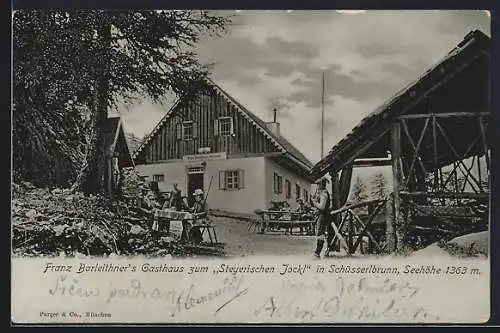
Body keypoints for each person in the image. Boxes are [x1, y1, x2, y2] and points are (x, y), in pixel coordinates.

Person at [311, 178, 333, 258]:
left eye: (318, 184)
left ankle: (317, 252)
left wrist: (315, 203)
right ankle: (323, 251)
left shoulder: (324, 194)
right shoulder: (322, 193)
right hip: (322, 215)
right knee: (321, 233)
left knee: (320, 233)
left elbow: (322, 207)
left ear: (321, 185)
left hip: (323, 215)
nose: (317, 186)